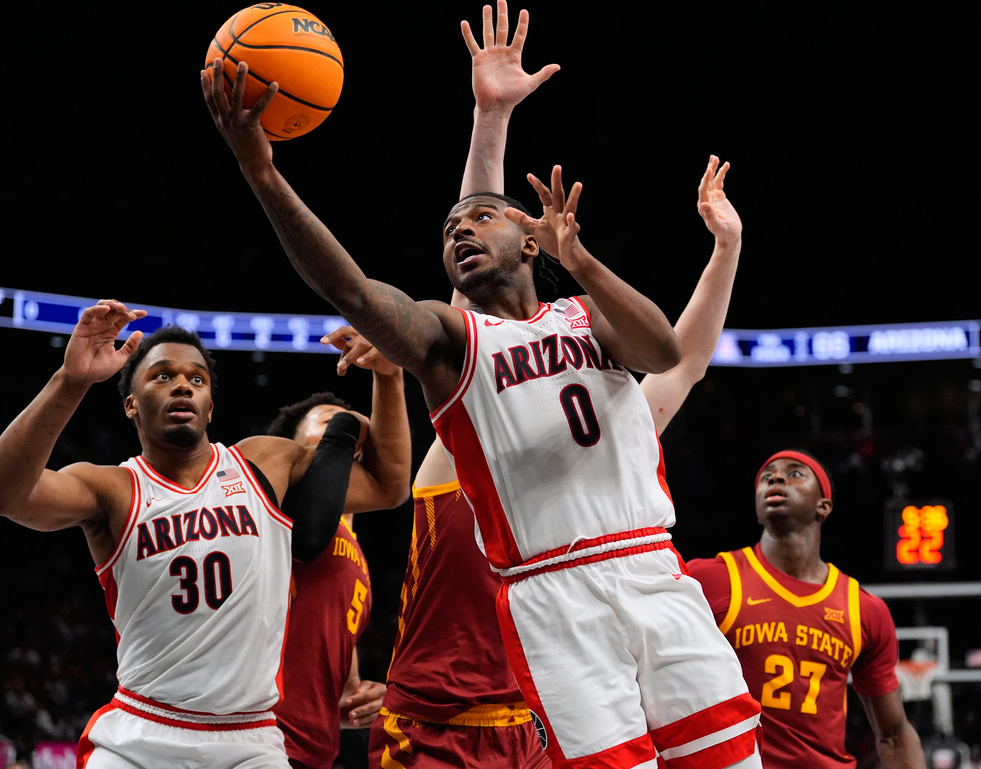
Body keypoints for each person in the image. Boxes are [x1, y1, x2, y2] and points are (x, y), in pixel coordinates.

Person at [201, 3, 763, 763]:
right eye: (445, 234)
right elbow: (364, 293)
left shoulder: (598, 351)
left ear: (533, 239)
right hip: (515, 636)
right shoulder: (460, 354)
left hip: (631, 583)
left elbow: (674, 354)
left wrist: (717, 249)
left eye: (479, 223)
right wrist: (263, 174)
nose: (458, 231)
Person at [0, 305, 373, 768]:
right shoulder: (113, 488)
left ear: (211, 405)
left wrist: (387, 384)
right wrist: (70, 381)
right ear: (131, 403)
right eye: (161, 376)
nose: (182, 384)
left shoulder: (260, 466)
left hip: (249, 737)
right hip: (142, 730)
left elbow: (390, 483)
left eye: (197, 379)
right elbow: (8, 492)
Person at [686, 450, 926, 768]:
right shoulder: (708, 578)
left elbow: (894, 734)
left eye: (795, 473)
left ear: (823, 505)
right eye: (766, 476)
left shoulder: (863, 609)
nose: (776, 477)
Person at [267, 331, 411, 769]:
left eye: (348, 420)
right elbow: (393, 483)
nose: (347, 425)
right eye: (328, 420)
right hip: (257, 739)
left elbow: (339, 685)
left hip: (312, 750)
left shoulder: (354, 554)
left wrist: (358, 697)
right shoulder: (277, 498)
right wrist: (388, 380)